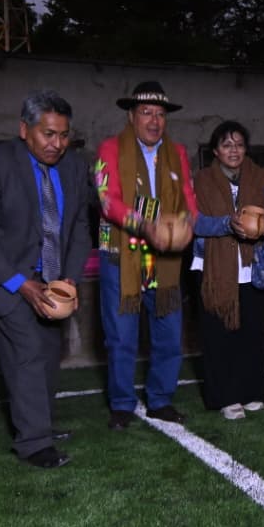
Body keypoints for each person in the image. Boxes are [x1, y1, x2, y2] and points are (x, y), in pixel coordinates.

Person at [0, 91, 91, 468]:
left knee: (50, 355)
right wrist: (21, 283)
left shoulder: (74, 167)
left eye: (64, 135)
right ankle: (34, 443)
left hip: (51, 279)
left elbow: (79, 226)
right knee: (28, 354)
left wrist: (70, 277)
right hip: (6, 279)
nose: (57, 144)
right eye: (48, 134)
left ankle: (41, 424)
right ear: (24, 129)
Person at [93, 81, 198, 430]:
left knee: (168, 333)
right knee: (121, 336)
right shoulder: (109, 148)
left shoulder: (178, 152)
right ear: (131, 115)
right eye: (146, 113)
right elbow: (108, 201)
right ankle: (122, 404)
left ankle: (161, 400)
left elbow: (187, 197)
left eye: (160, 114)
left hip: (165, 259)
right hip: (120, 254)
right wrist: (146, 225)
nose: (154, 121)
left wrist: (187, 225)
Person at [191, 120, 264, 420]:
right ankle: (225, 396)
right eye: (227, 144)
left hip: (251, 267)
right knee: (219, 335)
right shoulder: (200, 180)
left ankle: (252, 392)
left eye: (239, 144)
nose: (234, 150)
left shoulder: (262, 177)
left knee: (252, 333)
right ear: (215, 150)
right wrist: (225, 224)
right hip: (213, 268)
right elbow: (193, 222)